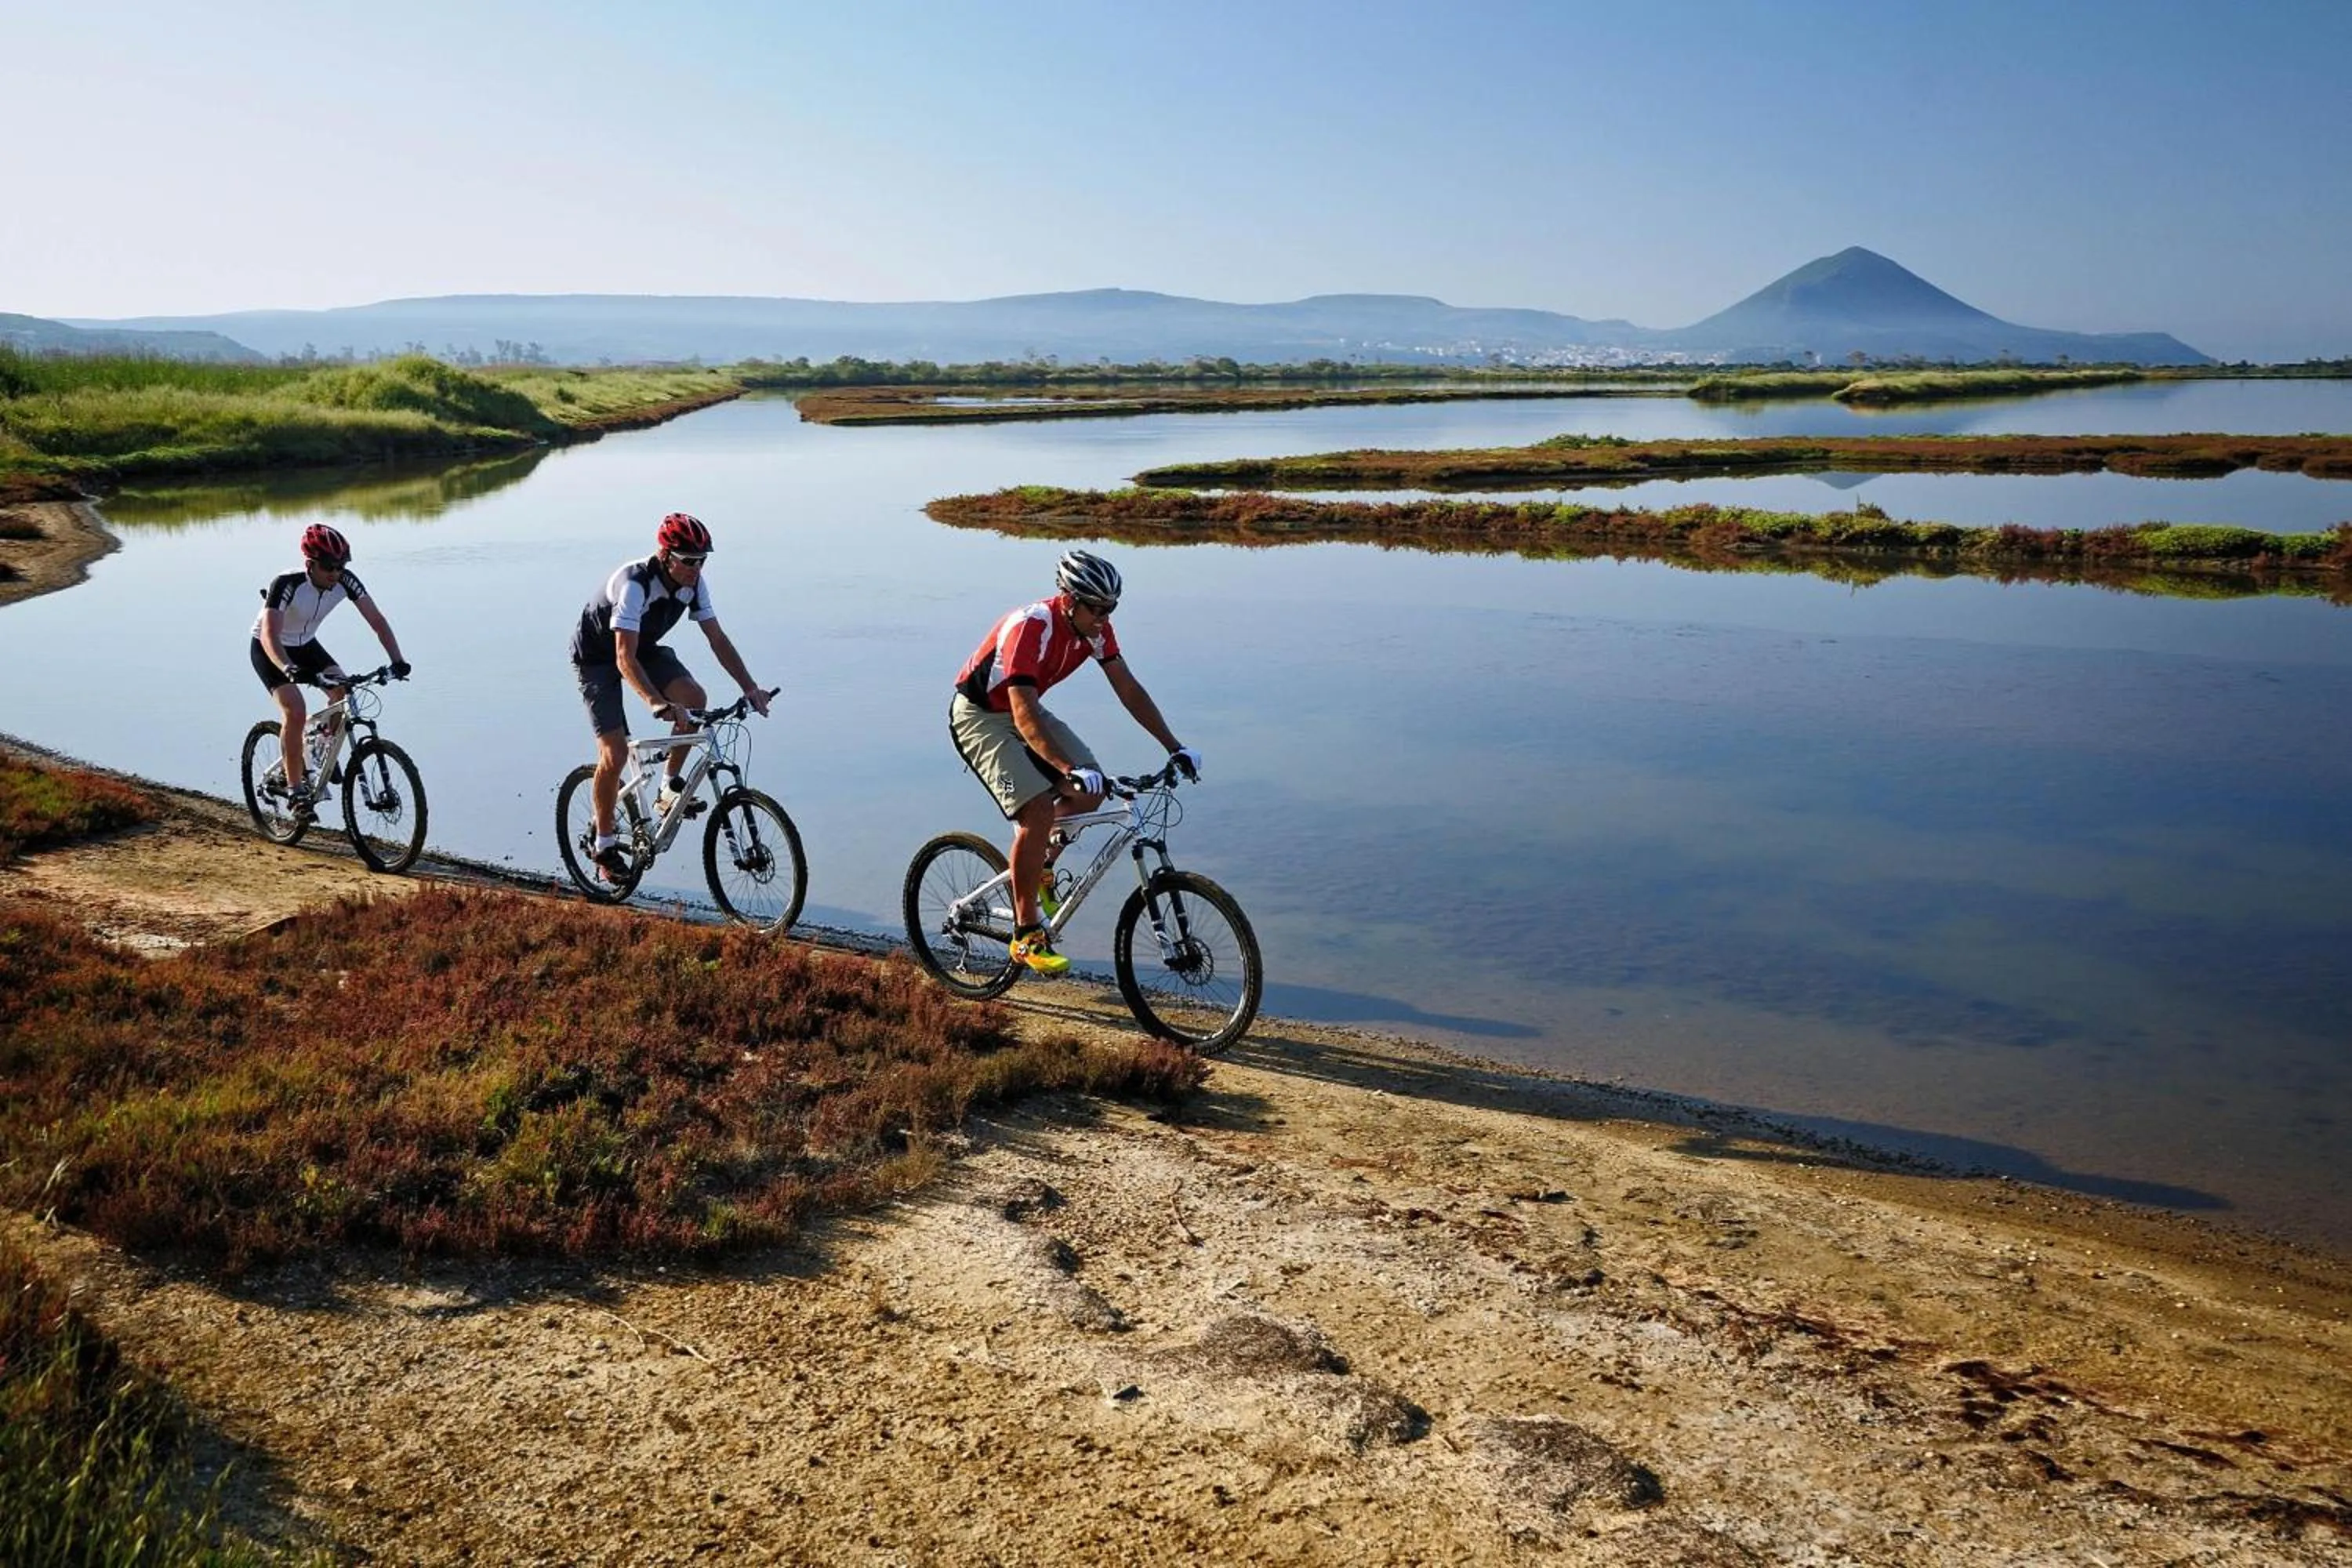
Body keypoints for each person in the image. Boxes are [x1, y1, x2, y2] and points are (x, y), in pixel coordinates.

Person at [950, 549, 1201, 975]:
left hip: (1022, 710)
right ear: (1070, 601)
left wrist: (1173, 745)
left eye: (1113, 608)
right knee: (1038, 809)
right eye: (1099, 608)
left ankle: (1041, 867)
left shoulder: (1096, 630)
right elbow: (1024, 712)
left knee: (1093, 792)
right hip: (981, 714)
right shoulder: (1030, 627)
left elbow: (1128, 688)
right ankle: (1025, 933)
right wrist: (1066, 770)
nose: (1106, 617)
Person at [569, 512, 771, 877]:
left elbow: (718, 639)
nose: (697, 568)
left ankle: (666, 788)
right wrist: (656, 702)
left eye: (703, 560)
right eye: (689, 561)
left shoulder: (694, 585)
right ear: (666, 556)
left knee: (695, 699)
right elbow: (622, 658)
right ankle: (603, 844)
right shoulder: (635, 585)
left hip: (643, 645)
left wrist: (750, 688)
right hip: (597, 658)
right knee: (614, 753)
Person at [249, 523, 409, 820]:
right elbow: (270, 634)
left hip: (307, 645)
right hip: (271, 649)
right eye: (329, 567)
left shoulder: (346, 582)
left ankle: (319, 749)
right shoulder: (286, 584)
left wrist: (397, 660)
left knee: (341, 691)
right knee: (295, 710)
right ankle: (296, 792)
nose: (336, 574)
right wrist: (288, 667)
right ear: (310, 565)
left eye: (341, 566)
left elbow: (377, 620)